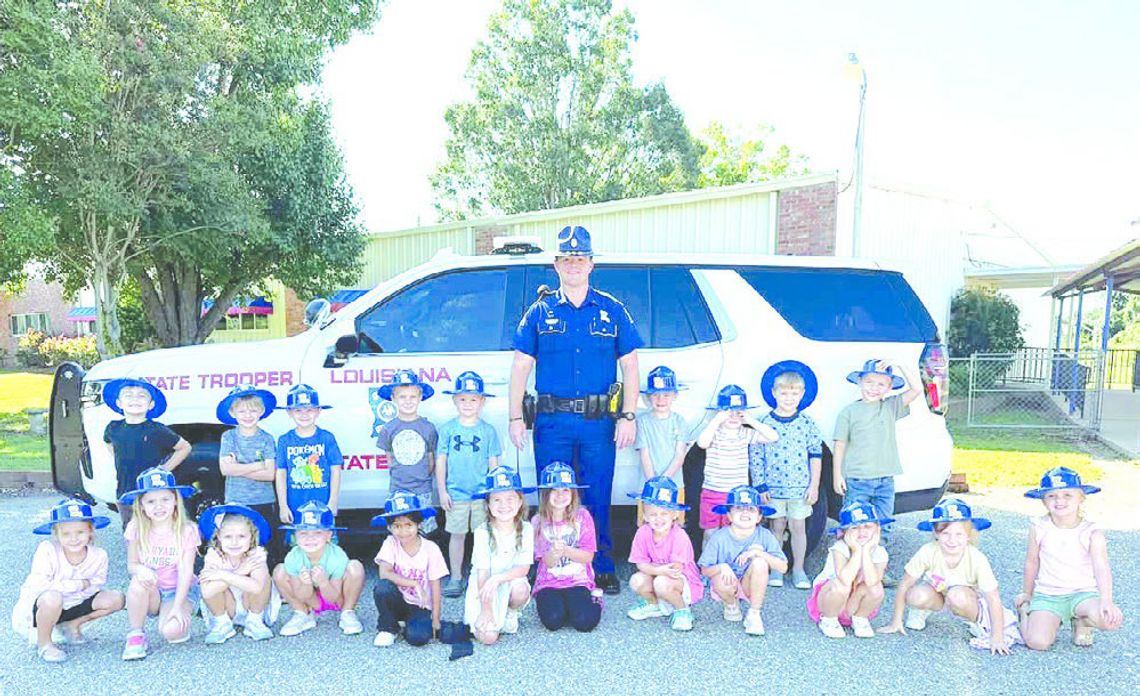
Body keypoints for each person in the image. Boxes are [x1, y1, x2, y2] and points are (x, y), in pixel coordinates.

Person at [509, 225, 642, 595]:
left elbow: (631, 365)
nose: (573, 265)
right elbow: (520, 366)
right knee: (552, 493)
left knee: (597, 492)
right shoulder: (539, 312)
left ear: (591, 264)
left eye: (579, 259)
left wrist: (628, 414)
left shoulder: (612, 310)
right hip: (552, 421)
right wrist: (516, 417)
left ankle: (600, 565)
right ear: (556, 264)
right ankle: (546, 562)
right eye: (566, 259)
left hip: (599, 422)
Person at [878, 498, 1020, 655]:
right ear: (936, 533)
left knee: (957, 596)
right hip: (936, 591)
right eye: (945, 533)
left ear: (969, 535)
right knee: (916, 595)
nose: (952, 540)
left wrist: (997, 636)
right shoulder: (928, 551)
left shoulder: (977, 558)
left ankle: (975, 620)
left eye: (959, 534)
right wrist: (896, 620)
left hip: (965, 596)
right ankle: (922, 609)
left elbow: (993, 597)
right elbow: (905, 584)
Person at [1017, 467, 1123, 649]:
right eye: (1052, 496)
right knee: (1037, 643)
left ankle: (1082, 622)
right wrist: (1027, 593)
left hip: (1083, 594)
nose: (1059, 500)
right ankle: (1028, 613)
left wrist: (1106, 600)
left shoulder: (1091, 531)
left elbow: (1101, 567)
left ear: (1081, 498)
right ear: (1044, 501)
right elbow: (1032, 562)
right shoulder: (1039, 527)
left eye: (1067, 495)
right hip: (1049, 594)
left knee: (1110, 620)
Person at [11, 499, 125, 663]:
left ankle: (72, 625)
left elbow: (96, 585)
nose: (74, 539)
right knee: (53, 597)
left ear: (90, 531)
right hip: (41, 608)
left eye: (80, 532)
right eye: (66, 534)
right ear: (56, 535)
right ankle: (44, 643)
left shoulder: (99, 555)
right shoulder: (47, 550)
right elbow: (40, 585)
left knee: (116, 598)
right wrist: (78, 584)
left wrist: (72, 591)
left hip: (74, 602)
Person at [832, 359, 922, 550]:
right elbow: (839, 445)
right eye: (869, 382)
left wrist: (900, 365)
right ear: (860, 382)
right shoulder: (848, 412)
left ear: (889, 387)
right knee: (854, 524)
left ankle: (876, 567)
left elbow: (916, 389)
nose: (874, 388)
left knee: (883, 525)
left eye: (881, 384)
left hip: (885, 481)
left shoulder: (890, 407)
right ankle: (852, 568)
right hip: (857, 480)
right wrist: (837, 475)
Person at [751, 361, 823, 589]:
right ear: (774, 393)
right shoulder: (764, 423)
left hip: (799, 488)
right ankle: (776, 568)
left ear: (802, 394)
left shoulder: (807, 423)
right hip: (773, 488)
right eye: (784, 393)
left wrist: (814, 485)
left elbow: (815, 456)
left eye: (794, 393)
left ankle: (799, 568)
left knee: (798, 527)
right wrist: (760, 486)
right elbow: (756, 456)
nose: (789, 398)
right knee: (776, 526)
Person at [120, 467, 200, 660]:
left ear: (175, 501)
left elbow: (186, 572)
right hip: (152, 590)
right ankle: (136, 635)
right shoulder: (136, 528)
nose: (159, 506)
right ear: (141, 506)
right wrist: (141, 570)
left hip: (178, 590)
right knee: (137, 582)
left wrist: (176, 607)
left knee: (172, 633)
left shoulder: (187, 530)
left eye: (165, 499)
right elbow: (132, 564)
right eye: (151, 501)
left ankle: (178, 615)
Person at [435, 370, 501, 596]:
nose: (468, 404)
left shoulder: (488, 431)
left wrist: (494, 496)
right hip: (456, 494)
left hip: (481, 495)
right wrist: (442, 491)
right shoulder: (448, 430)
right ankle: (455, 577)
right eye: (462, 399)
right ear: (454, 400)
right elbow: (441, 462)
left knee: (483, 536)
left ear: (482, 401)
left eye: (473, 399)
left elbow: (494, 465)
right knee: (457, 534)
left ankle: (481, 574)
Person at [698, 485, 786, 636]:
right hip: (727, 582)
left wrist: (760, 553)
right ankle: (731, 603)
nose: (745, 512)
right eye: (739, 508)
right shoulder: (719, 537)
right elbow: (705, 570)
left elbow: (783, 567)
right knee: (719, 575)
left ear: (759, 517)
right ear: (729, 516)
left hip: (749, 582)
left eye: (751, 509)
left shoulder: (764, 535)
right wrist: (722, 567)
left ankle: (754, 613)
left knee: (760, 563)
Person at [102, 378, 191, 527]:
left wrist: (163, 470)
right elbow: (108, 442)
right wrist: (118, 457)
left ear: (151, 405)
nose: (135, 399)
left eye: (142, 395)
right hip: (125, 491)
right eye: (128, 395)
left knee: (155, 529)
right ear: (119, 403)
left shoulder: (157, 429)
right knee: (131, 530)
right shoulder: (113, 428)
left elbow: (185, 447)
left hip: (152, 492)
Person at [695, 385, 778, 543]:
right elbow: (702, 443)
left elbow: (772, 436)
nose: (733, 416)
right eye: (728, 412)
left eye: (738, 412)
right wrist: (717, 419)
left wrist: (750, 420)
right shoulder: (714, 432)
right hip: (712, 491)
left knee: (733, 533)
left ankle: (730, 565)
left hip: (737, 495)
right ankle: (708, 565)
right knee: (710, 534)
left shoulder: (746, 433)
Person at [464, 466, 536, 645]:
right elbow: (483, 575)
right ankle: (492, 615)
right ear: (488, 504)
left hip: (508, 581)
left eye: (511, 499)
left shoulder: (526, 529)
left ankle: (511, 612)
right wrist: (486, 611)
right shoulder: (482, 532)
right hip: (485, 587)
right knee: (488, 638)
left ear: (520, 502)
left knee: (521, 589)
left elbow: (523, 568)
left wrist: (498, 579)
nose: (504, 506)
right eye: (497, 500)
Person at [273, 500, 365, 637]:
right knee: (279, 571)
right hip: (310, 598)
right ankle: (302, 613)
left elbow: (332, 597)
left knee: (355, 567)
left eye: (317, 533)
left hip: (335, 597)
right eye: (303, 533)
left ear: (329, 536)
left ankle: (348, 612)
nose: (310, 539)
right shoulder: (293, 557)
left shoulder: (337, 556)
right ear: (295, 536)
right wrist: (306, 583)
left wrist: (323, 582)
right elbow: (302, 595)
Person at [370, 490, 448, 648]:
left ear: (419, 525)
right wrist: (414, 584)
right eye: (397, 526)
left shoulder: (430, 548)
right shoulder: (390, 543)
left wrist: (435, 619)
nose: (403, 531)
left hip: (419, 604)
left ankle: (409, 625)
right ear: (389, 528)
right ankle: (388, 627)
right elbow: (384, 572)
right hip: (397, 599)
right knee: (382, 587)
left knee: (418, 638)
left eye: (409, 525)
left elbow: (435, 585)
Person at [531, 462, 602, 633]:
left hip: (577, 580)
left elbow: (587, 556)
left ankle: (595, 600)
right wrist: (554, 553)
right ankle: (562, 604)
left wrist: (565, 550)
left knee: (584, 622)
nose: (560, 495)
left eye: (565, 490)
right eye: (554, 490)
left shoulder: (583, 517)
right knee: (553, 621)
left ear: (573, 493)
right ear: (546, 494)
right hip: (548, 582)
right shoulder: (537, 522)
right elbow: (546, 562)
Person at [625, 477, 704, 632]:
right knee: (636, 580)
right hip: (660, 575)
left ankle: (682, 610)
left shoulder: (679, 536)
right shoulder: (642, 532)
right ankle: (654, 605)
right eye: (653, 514)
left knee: (661, 582)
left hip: (681, 581)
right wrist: (658, 570)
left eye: (664, 513)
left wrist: (654, 570)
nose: (659, 519)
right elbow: (640, 564)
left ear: (674, 514)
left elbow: (675, 569)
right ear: (645, 516)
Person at [216, 386, 280, 561]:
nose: (247, 415)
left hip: (264, 501)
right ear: (232, 412)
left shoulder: (267, 438)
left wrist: (239, 467)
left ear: (261, 411)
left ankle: (266, 583)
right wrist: (258, 465)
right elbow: (226, 469)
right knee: (238, 547)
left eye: (253, 410)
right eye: (242, 411)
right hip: (236, 500)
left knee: (264, 546)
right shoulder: (228, 437)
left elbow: (270, 475)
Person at [807, 502, 889, 639]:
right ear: (845, 532)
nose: (862, 532)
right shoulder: (840, 548)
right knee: (841, 585)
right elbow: (844, 579)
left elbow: (871, 581)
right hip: (829, 600)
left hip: (853, 603)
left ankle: (860, 618)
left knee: (877, 588)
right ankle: (829, 620)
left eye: (868, 527)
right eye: (855, 528)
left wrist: (866, 552)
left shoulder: (880, 553)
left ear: (877, 529)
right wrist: (857, 551)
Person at [197, 504, 276, 644]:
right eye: (228, 536)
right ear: (218, 537)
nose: (234, 542)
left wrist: (223, 574)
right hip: (226, 606)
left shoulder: (256, 554)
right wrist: (241, 572)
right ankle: (222, 623)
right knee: (209, 582)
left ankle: (255, 621)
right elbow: (207, 592)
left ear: (251, 537)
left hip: (251, 602)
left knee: (264, 577)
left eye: (241, 536)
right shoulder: (214, 555)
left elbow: (257, 587)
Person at [376, 369, 440, 536]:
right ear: (393, 399)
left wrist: (423, 476)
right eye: (402, 397)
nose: (408, 401)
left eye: (412, 397)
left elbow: (431, 458)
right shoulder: (388, 429)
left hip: (422, 488)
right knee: (400, 529)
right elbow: (389, 457)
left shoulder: (428, 428)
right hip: (398, 488)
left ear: (420, 398)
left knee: (424, 530)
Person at [275, 384, 342, 524]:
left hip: (323, 506)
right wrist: (283, 506)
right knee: (298, 541)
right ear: (289, 412)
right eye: (298, 410)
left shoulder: (327, 438)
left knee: (325, 538)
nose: (304, 415)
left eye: (309, 410)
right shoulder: (284, 440)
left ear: (318, 411)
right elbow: (281, 473)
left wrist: (333, 502)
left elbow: (335, 470)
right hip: (295, 507)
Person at [634, 365, 691, 526]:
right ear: (648, 396)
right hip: (647, 486)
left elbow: (680, 455)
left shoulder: (680, 421)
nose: (661, 400)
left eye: (666, 395)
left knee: (675, 526)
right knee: (647, 526)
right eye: (656, 395)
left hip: (674, 484)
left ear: (675, 395)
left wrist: (664, 482)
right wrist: (654, 485)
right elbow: (644, 453)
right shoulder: (642, 421)